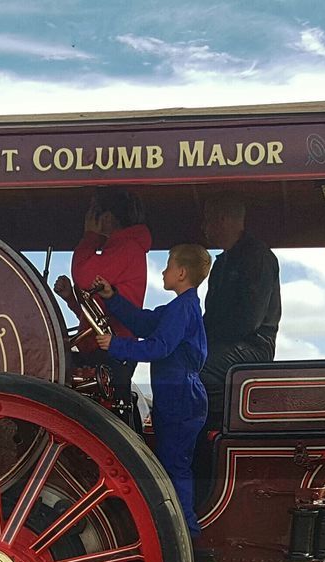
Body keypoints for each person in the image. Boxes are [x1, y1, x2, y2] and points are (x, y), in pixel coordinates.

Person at [95, 243, 212, 536]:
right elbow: (145, 322)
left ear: (181, 273)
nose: (163, 271)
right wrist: (113, 298)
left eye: (169, 266)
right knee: (172, 462)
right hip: (178, 394)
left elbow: (159, 347)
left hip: (180, 396)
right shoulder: (179, 308)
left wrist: (116, 345)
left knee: (175, 465)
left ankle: (186, 533)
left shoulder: (181, 309)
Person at [53, 189, 151, 395]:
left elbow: (84, 276)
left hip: (111, 352)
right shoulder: (123, 249)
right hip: (104, 348)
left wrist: (90, 236)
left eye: (92, 213)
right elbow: (96, 312)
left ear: (106, 217)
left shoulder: (127, 248)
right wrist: (71, 298)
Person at [198, 194, 282, 429]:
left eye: (207, 221)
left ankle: (218, 427)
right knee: (184, 359)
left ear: (222, 220)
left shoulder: (259, 257)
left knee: (198, 366)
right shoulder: (222, 263)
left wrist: (201, 344)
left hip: (255, 346)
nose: (203, 228)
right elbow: (211, 315)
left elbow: (247, 322)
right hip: (227, 343)